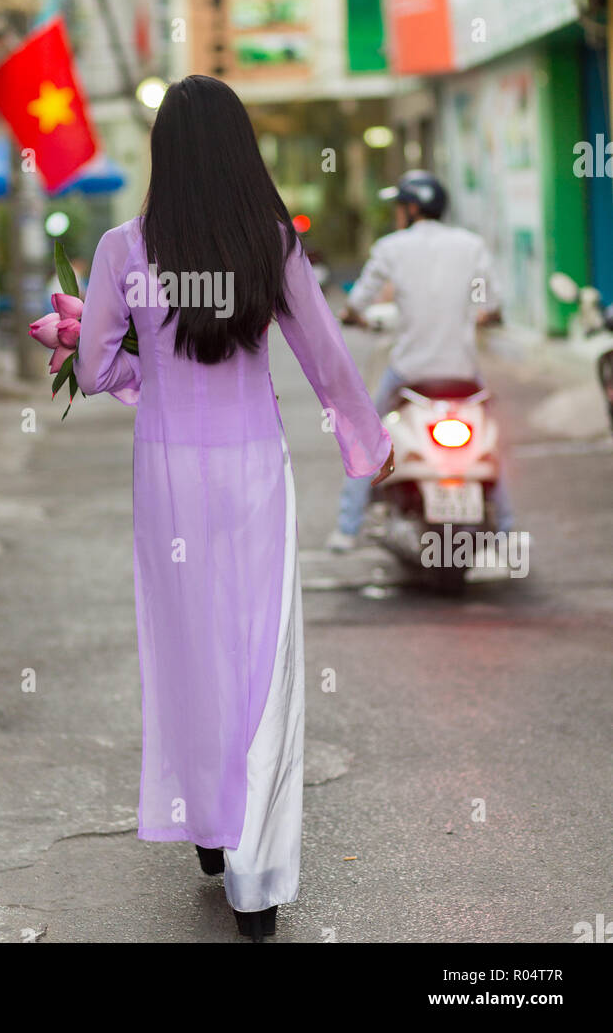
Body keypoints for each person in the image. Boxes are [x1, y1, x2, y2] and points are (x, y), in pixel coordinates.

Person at [74, 75, 393, 942]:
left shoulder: (121, 249)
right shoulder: (271, 246)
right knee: (263, 665)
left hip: (169, 481)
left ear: (163, 156)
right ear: (241, 152)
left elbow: (96, 368)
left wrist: (142, 368)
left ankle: (209, 835)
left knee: (187, 653)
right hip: (254, 474)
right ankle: (259, 879)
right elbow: (327, 360)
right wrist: (367, 445)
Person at [327, 169, 513, 553]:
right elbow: (492, 305)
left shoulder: (391, 248)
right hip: (461, 371)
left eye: (400, 207)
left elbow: (358, 302)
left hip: (409, 372)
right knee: (491, 442)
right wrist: (479, 316)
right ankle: (508, 530)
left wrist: (353, 316)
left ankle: (347, 528)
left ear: (412, 209)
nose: (398, 214)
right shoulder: (471, 245)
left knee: (368, 438)